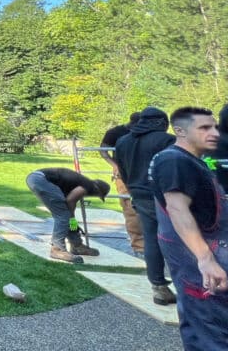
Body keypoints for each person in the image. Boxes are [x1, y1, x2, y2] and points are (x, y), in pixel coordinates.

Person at [149, 107, 228, 350]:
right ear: (180, 131)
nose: (214, 132)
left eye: (214, 126)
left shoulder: (192, 160)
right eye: (204, 128)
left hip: (206, 250)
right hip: (195, 256)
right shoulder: (173, 160)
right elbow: (177, 209)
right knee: (208, 326)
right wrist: (205, 259)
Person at [113, 106, 177, 305]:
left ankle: (159, 287)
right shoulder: (166, 140)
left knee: (151, 239)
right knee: (181, 239)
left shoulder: (123, 142)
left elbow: (122, 171)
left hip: (138, 194)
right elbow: (174, 167)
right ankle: (190, 287)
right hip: (165, 195)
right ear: (160, 122)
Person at [25, 167, 110, 263]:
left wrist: (72, 221)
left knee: (66, 216)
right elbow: (71, 200)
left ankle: (77, 246)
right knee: (63, 216)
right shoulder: (89, 186)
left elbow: (69, 201)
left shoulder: (81, 183)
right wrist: (72, 219)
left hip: (37, 178)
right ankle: (57, 249)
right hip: (40, 180)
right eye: (98, 195)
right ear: (98, 190)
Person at [100, 113, 145, 256]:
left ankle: (154, 242)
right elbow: (103, 150)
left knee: (149, 207)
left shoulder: (146, 132)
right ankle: (139, 246)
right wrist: (114, 165)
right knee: (130, 209)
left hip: (143, 173)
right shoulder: (115, 132)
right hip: (123, 175)